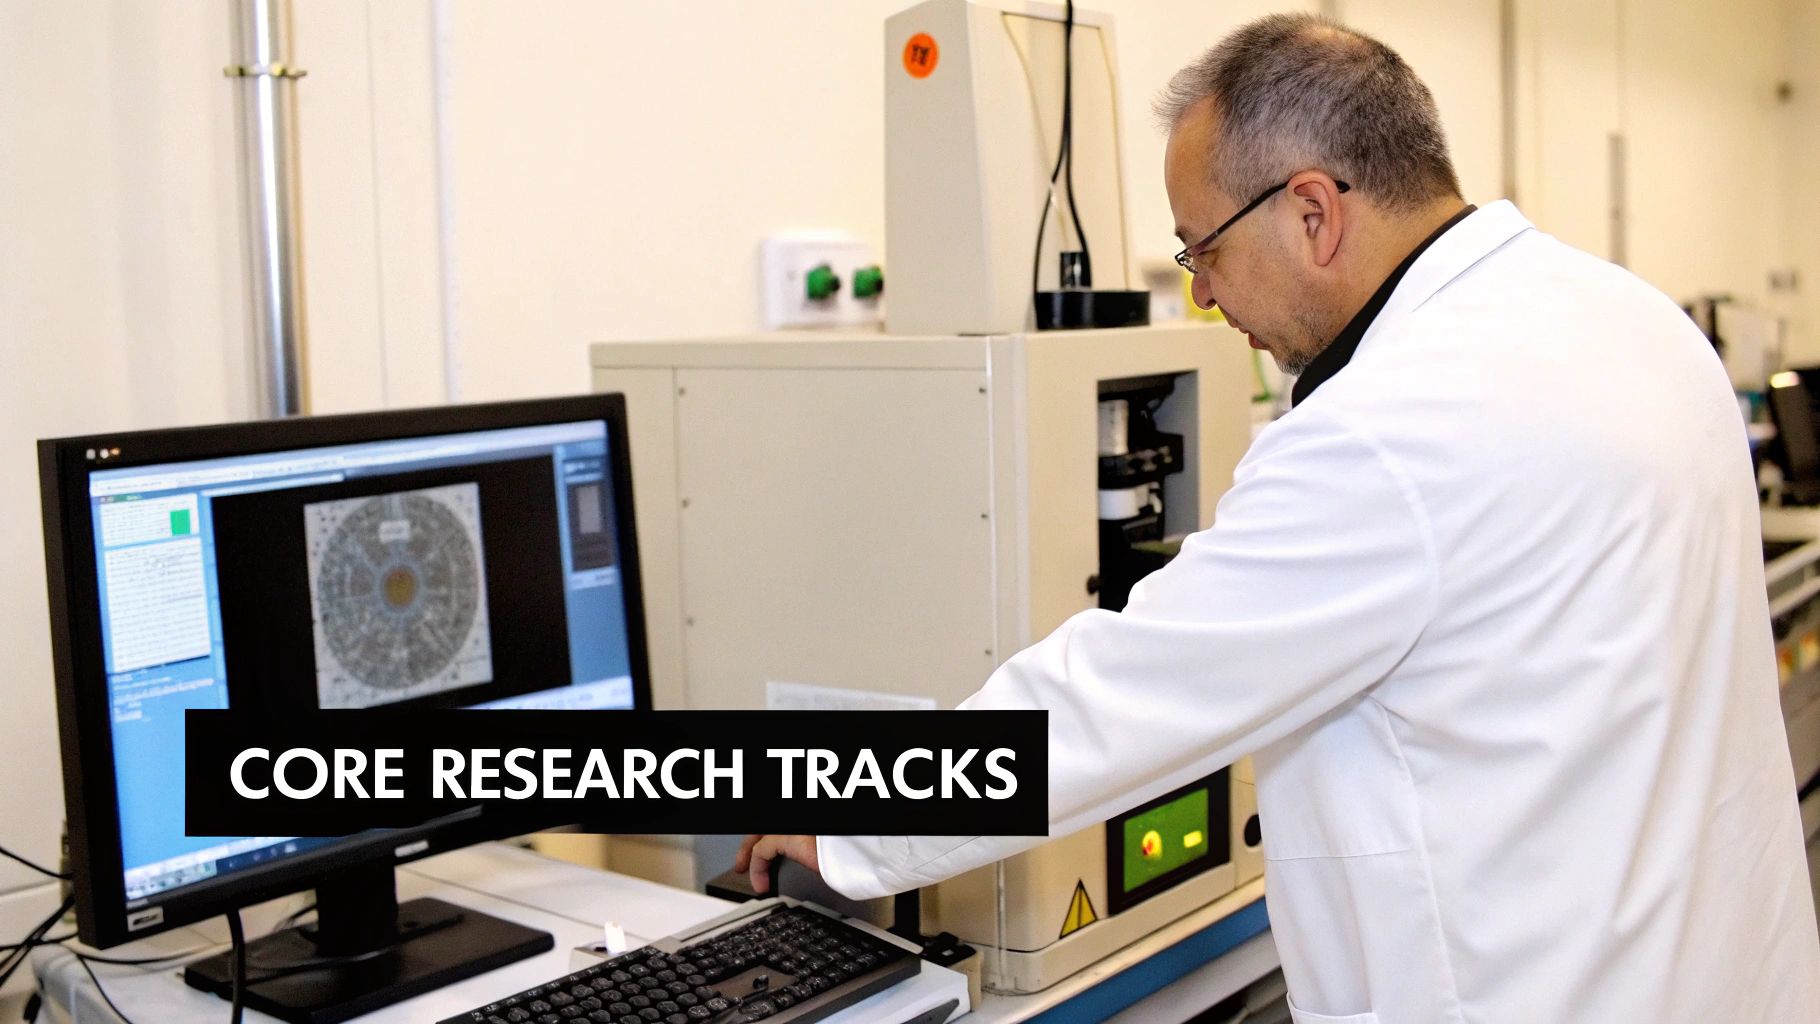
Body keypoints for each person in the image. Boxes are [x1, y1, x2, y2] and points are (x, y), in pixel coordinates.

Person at [738, 14, 1820, 1021]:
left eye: (1200, 249)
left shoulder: (1388, 430)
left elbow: (1107, 702)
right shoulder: (1624, 314)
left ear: (1311, 211)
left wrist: (841, 810)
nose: (1202, 296)